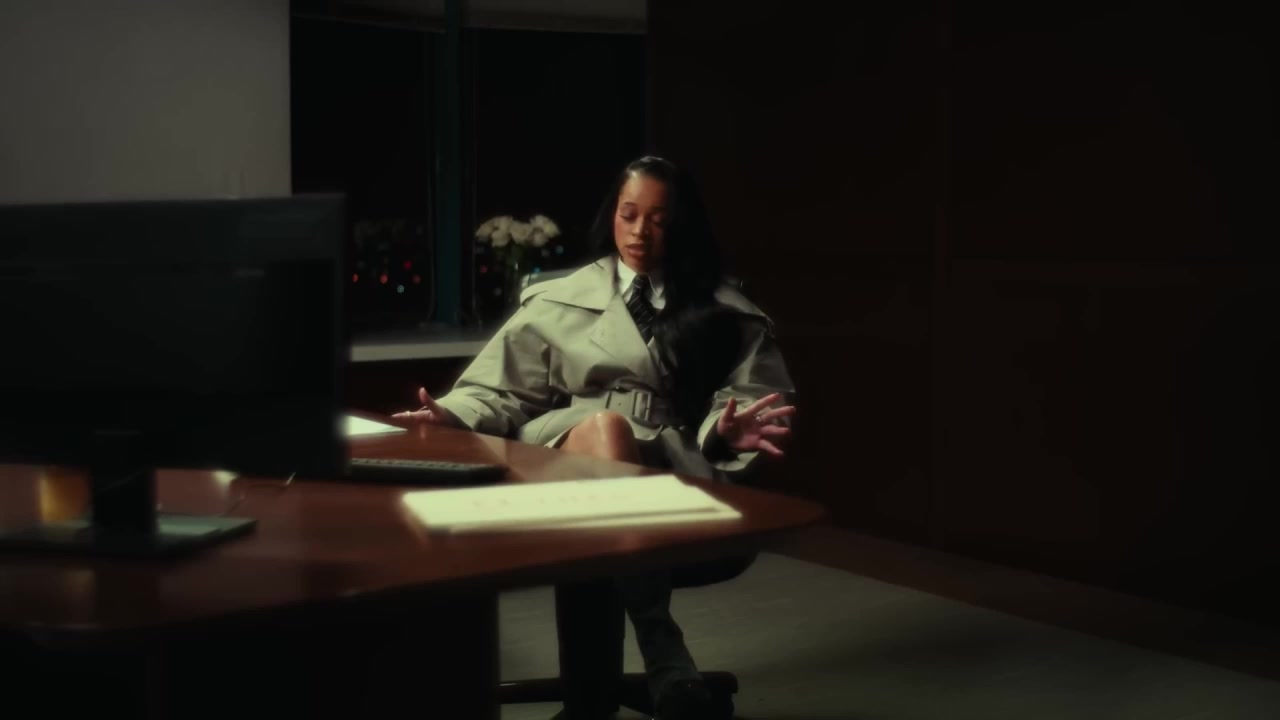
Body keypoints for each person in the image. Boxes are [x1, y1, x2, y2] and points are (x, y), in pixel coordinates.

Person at [393, 156, 796, 719]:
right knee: (607, 430)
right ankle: (661, 644)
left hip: (673, 467)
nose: (640, 231)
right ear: (612, 216)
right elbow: (500, 390)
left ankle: (591, 700)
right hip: (559, 452)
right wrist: (451, 415)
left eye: (658, 219)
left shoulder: (726, 313)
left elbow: (754, 399)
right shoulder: (559, 299)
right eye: (629, 215)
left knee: (608, 502)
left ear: (681, 225)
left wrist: (724, 431)